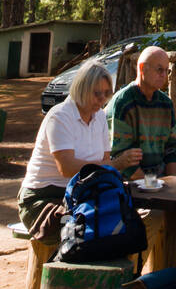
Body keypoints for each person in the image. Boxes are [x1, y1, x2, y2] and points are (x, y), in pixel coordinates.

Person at [18, 59, 141, 231]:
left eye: (106, 94)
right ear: (82, 89)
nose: (102, 99)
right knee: (82, 230)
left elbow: (104, 162)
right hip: (43, 199)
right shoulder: (60, 116)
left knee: (124, 224)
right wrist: (116, 164)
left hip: (82, 195)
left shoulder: (99, 117)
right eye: (97, 93)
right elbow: (67, 168)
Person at [108, 46, 176, 180]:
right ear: (142, 68)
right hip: (128, 183)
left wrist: (174, 183)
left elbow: (172, 149)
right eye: (159, 70)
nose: (164, 75)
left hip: (160, 181)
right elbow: (122, 157)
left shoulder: (166, 103)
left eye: (166, 70)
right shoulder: (123, 102)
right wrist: (151, 186)